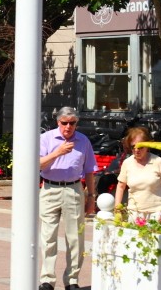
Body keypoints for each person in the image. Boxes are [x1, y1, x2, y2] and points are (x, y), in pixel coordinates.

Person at [38, 107, 96, 290]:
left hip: (73, 189)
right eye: (64, 123)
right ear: (58, 122)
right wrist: (57, 153)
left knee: (75, 237)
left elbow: (89, 171)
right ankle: (47, 279)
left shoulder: (83, 141)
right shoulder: (46, 138)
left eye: (72, 123)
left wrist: (92, 197)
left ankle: (72, 280)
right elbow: (37, 164)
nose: (68, 127)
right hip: (49, 188)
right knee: (48, 236)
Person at [114, 126, 161, 221]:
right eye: (133, 146)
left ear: (148, 145)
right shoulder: (127, 163)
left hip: (157, 212)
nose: (136, 150)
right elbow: (120, 187)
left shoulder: (158, 162)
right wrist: (117, 209)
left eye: (140, 147)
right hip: (135, 212)